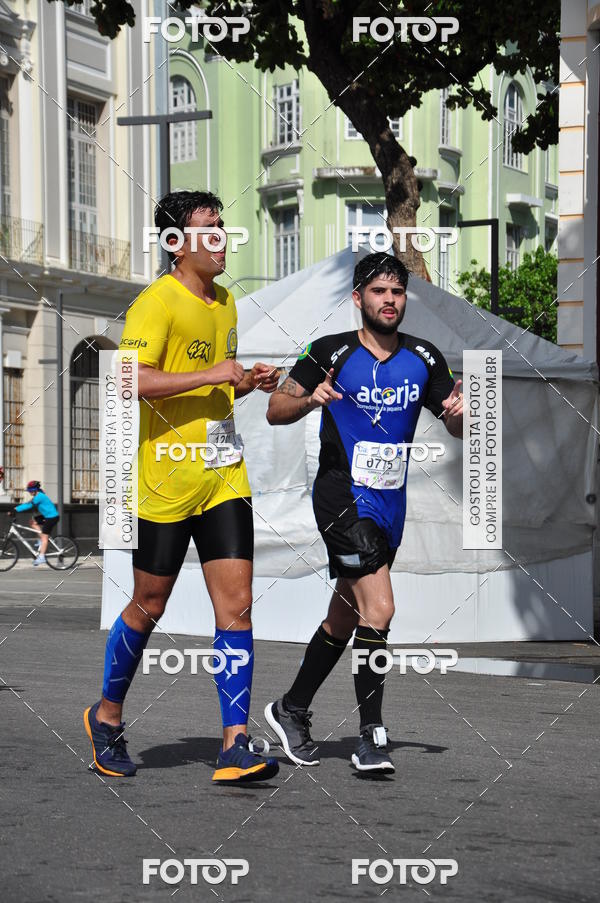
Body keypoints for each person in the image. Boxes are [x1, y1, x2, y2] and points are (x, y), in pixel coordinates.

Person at [84, 190, 281, 783]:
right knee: (150, 603)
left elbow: (213, 388)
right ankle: (106, 715)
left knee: (237, 607)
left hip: (223, 476)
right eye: (208, 230)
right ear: (176, 243)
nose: (221, 239)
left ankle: (234, 743)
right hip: (166, 480)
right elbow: (129, 380)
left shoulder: (227, 303)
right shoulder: (156, 302)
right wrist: (211, 372)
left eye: (222, 227)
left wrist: (244, 381)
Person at [264, 252, 463, 774]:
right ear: (358, 299)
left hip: (389, 504)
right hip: (342, 498)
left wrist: (462, 414)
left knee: (345, 615)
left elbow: (456, 423)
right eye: (379, 291)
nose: (389, 300)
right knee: (381, 609)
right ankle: (370, 735)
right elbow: (275, 409)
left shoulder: (424, 356)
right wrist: (311, 400)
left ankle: (291, 708)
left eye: (397, 291)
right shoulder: (328, 351)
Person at [13, 480, 60, 566]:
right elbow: (28, 503)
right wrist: (16, 508)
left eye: (31, 490)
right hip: (48, 516)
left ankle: (42, 557)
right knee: (32, 522)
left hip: (52, 518)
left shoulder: (39, 496)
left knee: (45, 538)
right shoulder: (38, 495)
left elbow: (29, 505)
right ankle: (41, 540)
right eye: (29, 491)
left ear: (35, 490)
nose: (29, 492)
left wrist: (15, 509)